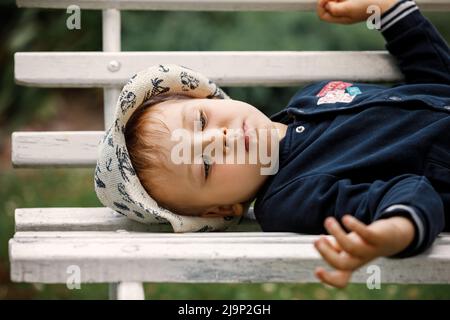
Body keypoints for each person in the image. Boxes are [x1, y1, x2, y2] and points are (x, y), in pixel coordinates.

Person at [95, 0, 450, 288]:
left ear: (210, 97)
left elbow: (433, 83)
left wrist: (389, 13)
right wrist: (394, 230)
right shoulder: (291, 199)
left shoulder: (312, 97)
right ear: (221, 210)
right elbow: (407, 191)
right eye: (204, 164)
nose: (220, 139)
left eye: (201, 120)